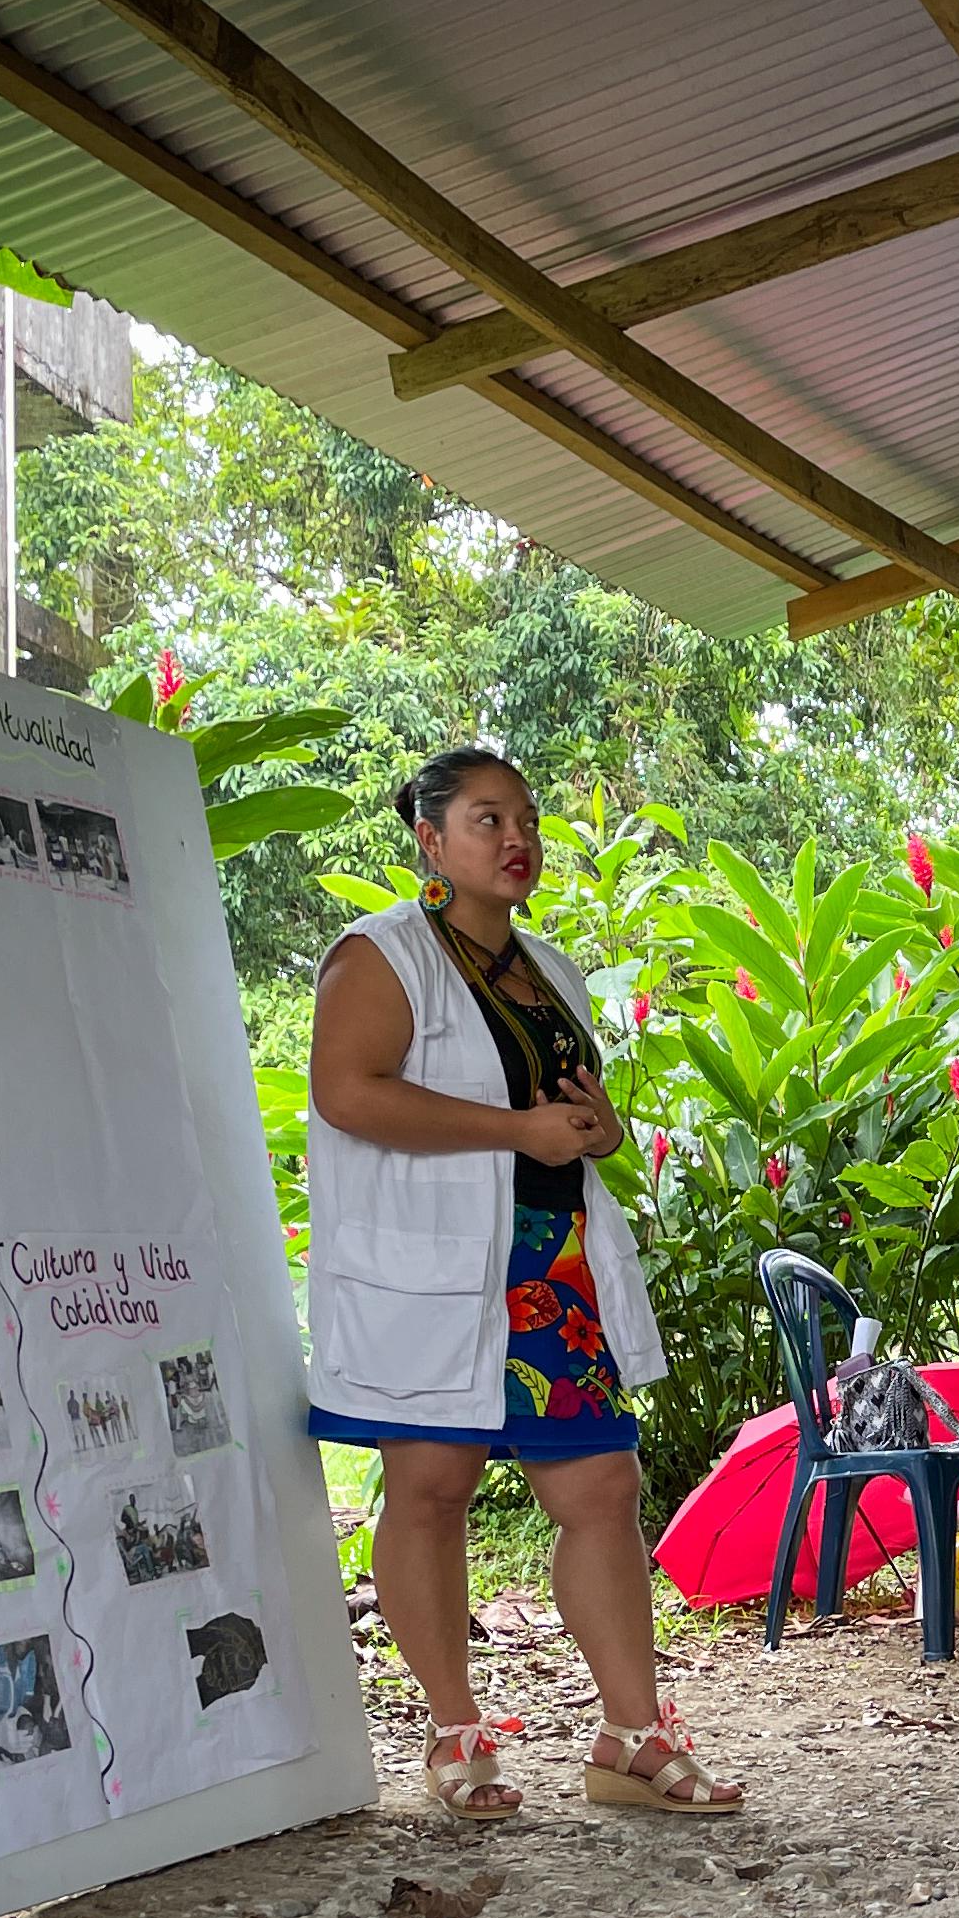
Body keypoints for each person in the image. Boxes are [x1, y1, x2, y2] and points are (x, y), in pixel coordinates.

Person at [307, 746, 740, 1821]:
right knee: (431, 1486)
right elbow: (346, 1093)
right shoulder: (381, 956)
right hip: (436, 1266)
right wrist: (513, 1130)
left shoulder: (546, 967)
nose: (517, 839)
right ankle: (455, 1727)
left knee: (599, 1487)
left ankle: (631, 1736)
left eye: (526, 819)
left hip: (551, 1263)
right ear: (430, 838)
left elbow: (578, 1117)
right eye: (487, 818)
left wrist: (599, 1129)